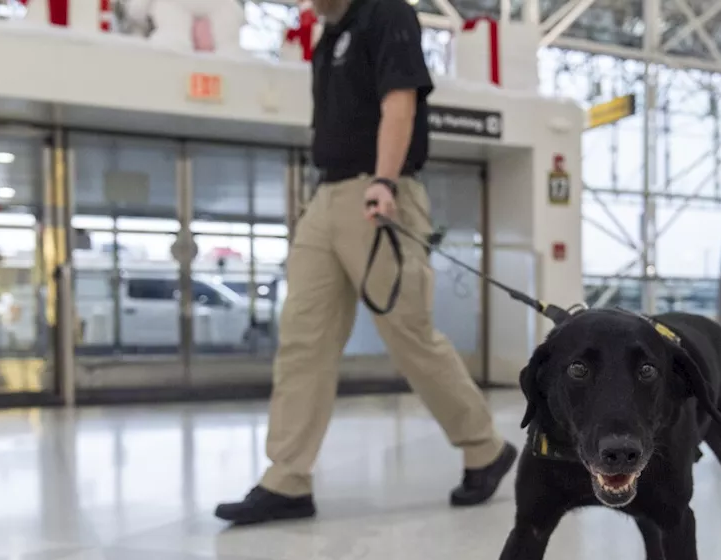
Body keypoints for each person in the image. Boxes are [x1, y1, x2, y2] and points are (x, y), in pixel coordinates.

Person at [215, 0, 517, 525]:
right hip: (326, 195)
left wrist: (384, 180)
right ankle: (287, 479)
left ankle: (484, 447)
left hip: (378, 190)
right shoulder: (328, 36)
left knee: (409, 335)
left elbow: (398, 103)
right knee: (302, 338)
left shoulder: (388, 13)